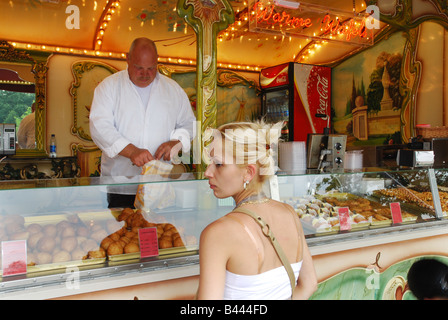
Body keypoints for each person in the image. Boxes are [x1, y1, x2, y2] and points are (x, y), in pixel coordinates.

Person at [197, 121, 317, 300]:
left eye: (218, 164)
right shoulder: (290, 213)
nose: (207, 172)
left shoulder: (217, 233)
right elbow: (310, 284)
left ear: (248, 172)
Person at [89, 38, 196, 208]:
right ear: (128, 59)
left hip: (158, 187)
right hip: (120, 186)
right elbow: (99, 127)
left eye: (151, 68)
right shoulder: (108, 87)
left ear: (157, 61)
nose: (145, 74)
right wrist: (131, 151)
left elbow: (189, 125)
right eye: (139, 68)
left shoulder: (173, 89)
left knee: (158, 233)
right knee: (122, 233)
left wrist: (176, 142)